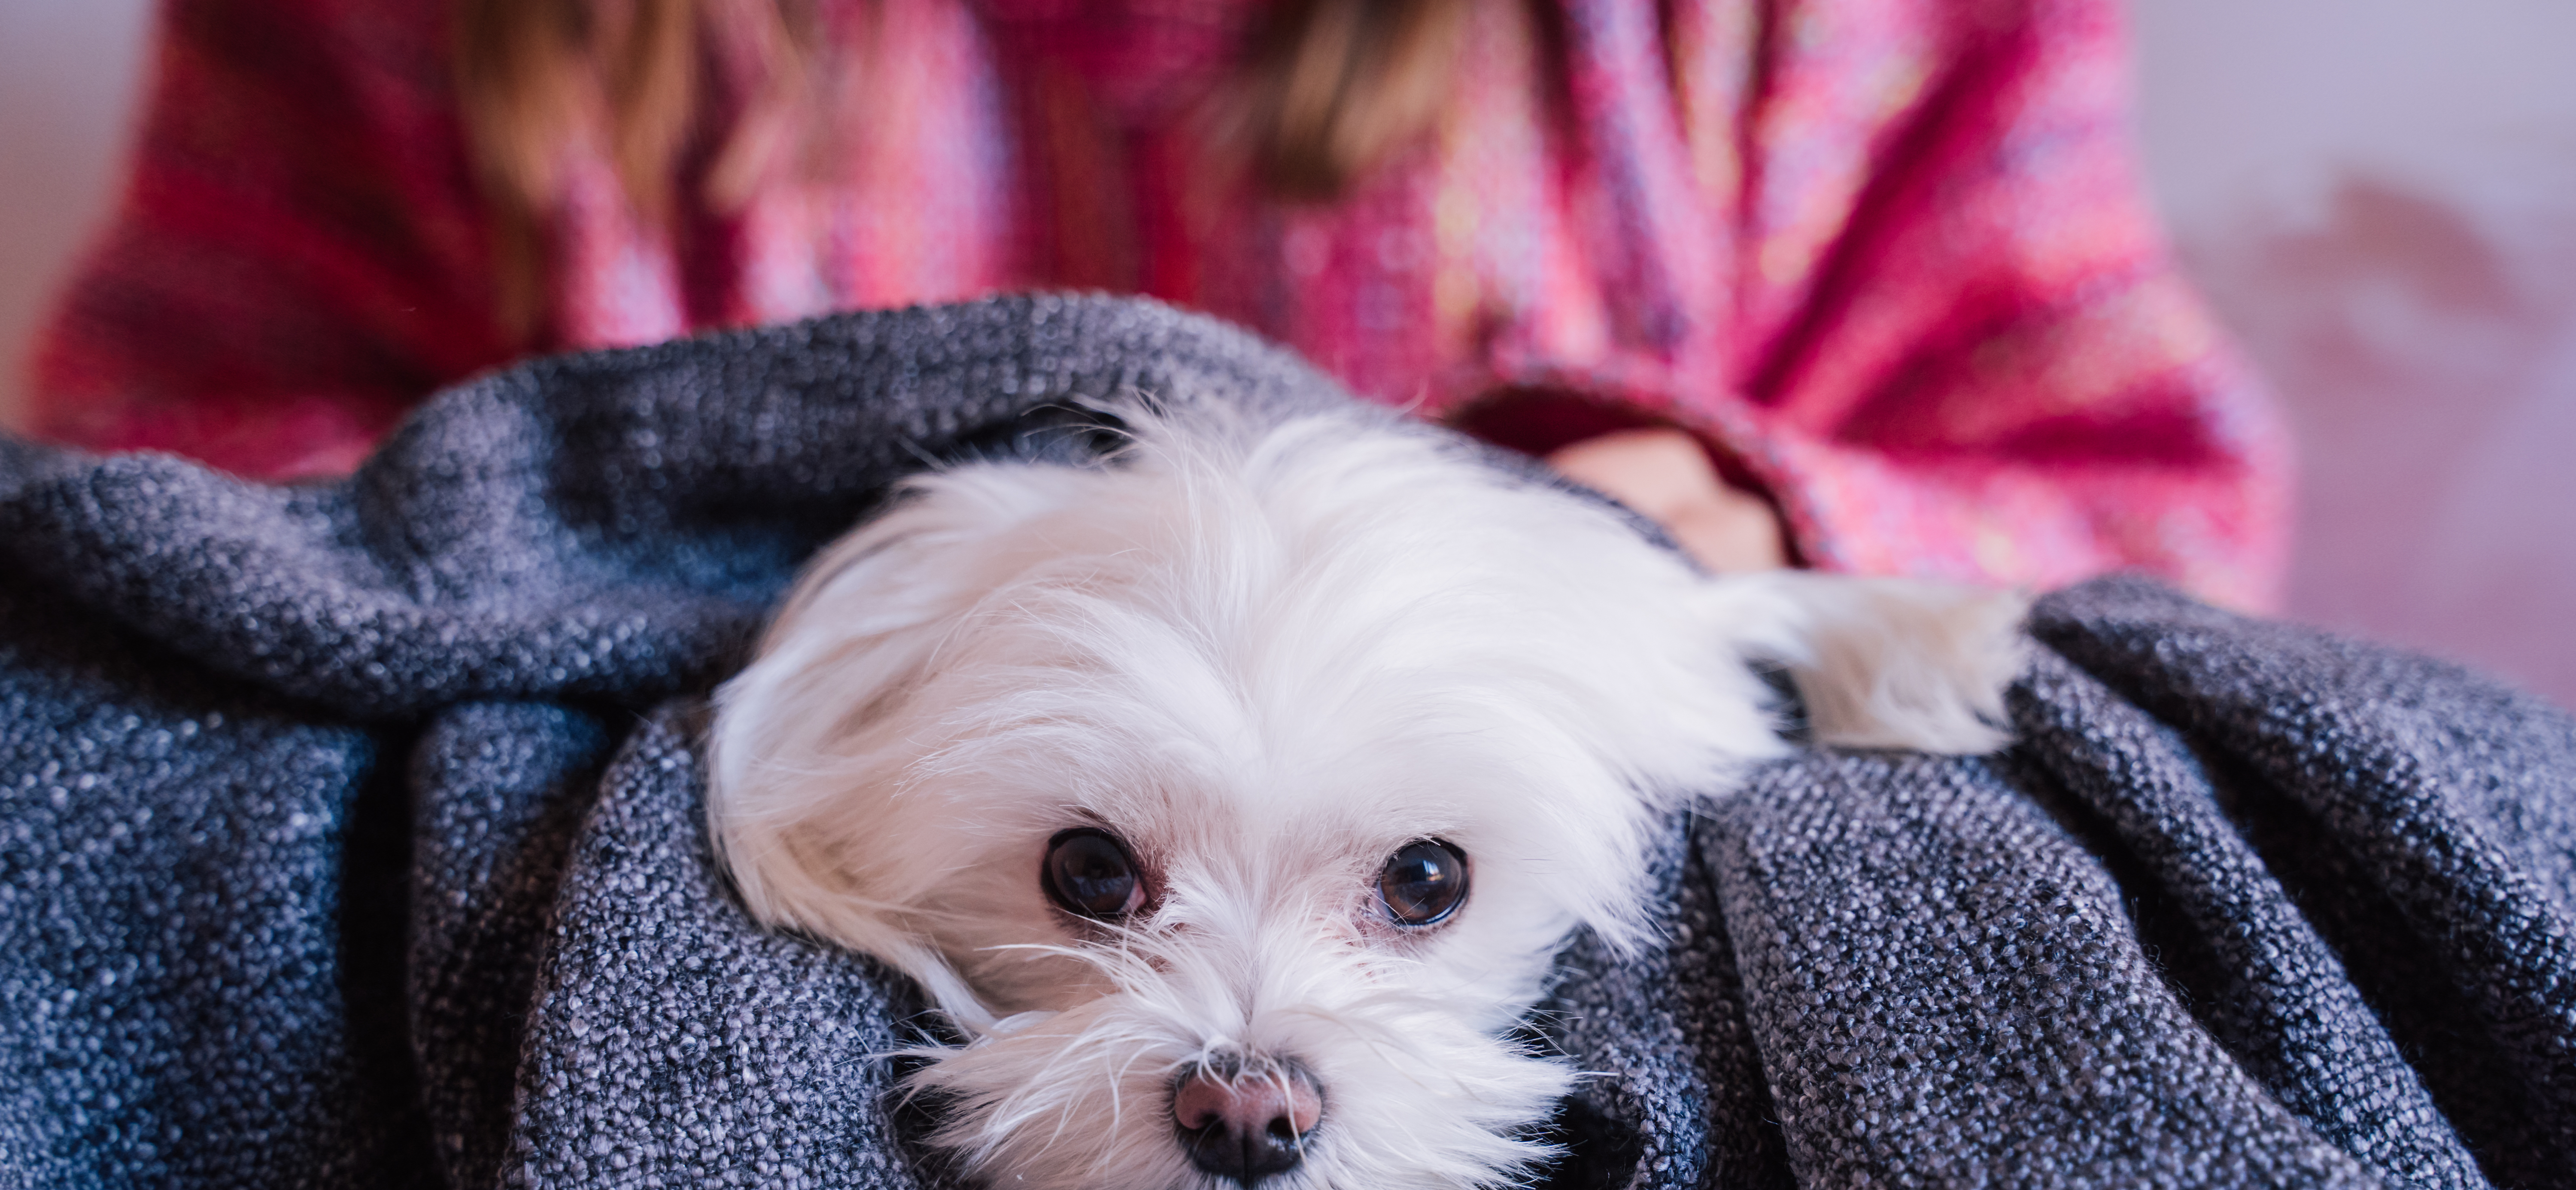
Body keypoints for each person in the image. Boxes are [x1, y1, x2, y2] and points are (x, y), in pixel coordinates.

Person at [27, 0, 2290, 605]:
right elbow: (159, 533)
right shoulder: (423, 35)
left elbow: (2155, 520)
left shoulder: (1811, 39)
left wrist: (1756, 521)